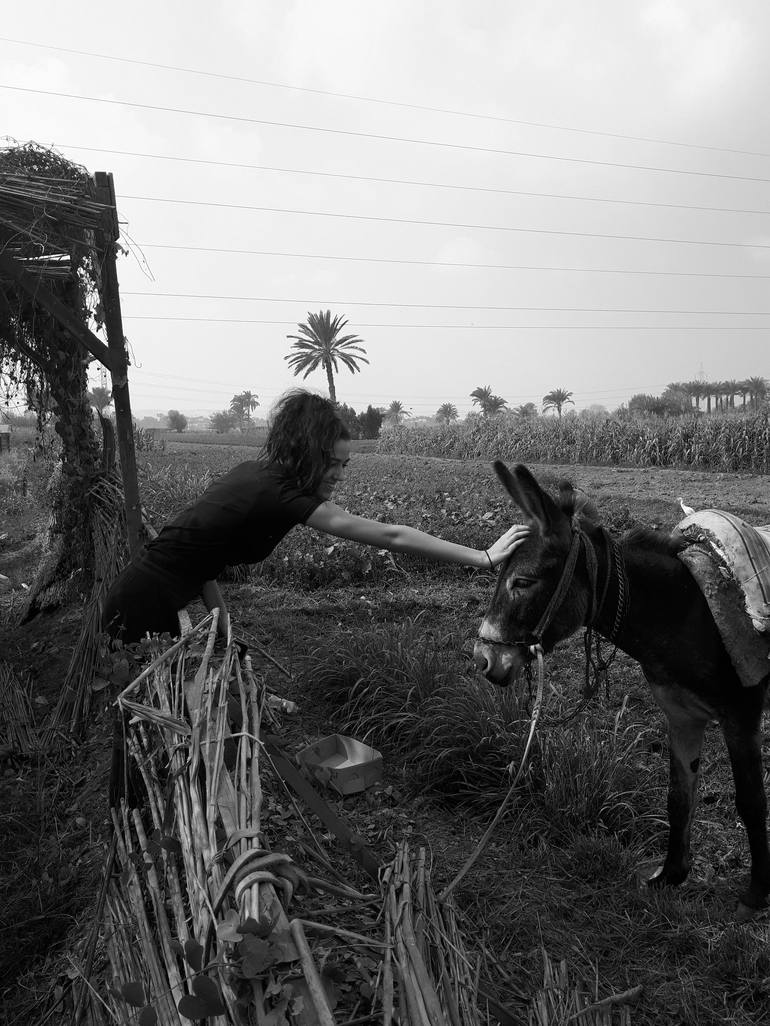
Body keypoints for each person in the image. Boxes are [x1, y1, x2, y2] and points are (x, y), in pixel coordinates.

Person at [102, 390, 529, 644]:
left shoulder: (259, 476)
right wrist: (482, 557)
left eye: (346, 465)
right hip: (140, 603)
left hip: (149, 591)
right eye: (332, 463)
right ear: (307, 452)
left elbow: (201, 557)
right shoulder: (279, 494)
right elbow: (392, 536)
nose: (340, 475)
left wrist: (222, 624)